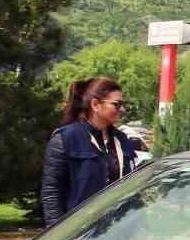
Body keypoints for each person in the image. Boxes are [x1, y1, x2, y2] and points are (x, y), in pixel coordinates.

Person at [40, 77, 137, 226]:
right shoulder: (65, 139)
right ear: (95, 105)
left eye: (122, 104)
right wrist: (56, 236)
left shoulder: (122, 140)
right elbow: (51, 192)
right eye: (116, 104)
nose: (122, 109)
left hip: (118, 232)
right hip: (80, 235)